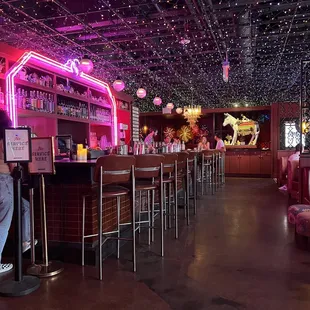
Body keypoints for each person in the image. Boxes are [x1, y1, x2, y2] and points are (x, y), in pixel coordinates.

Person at [0, 110, 32, 274]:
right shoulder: (5, 140)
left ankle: (26, 241)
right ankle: (25, 242)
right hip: (3, 182)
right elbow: (13, 167)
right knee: (3, 225)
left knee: (25, 206)